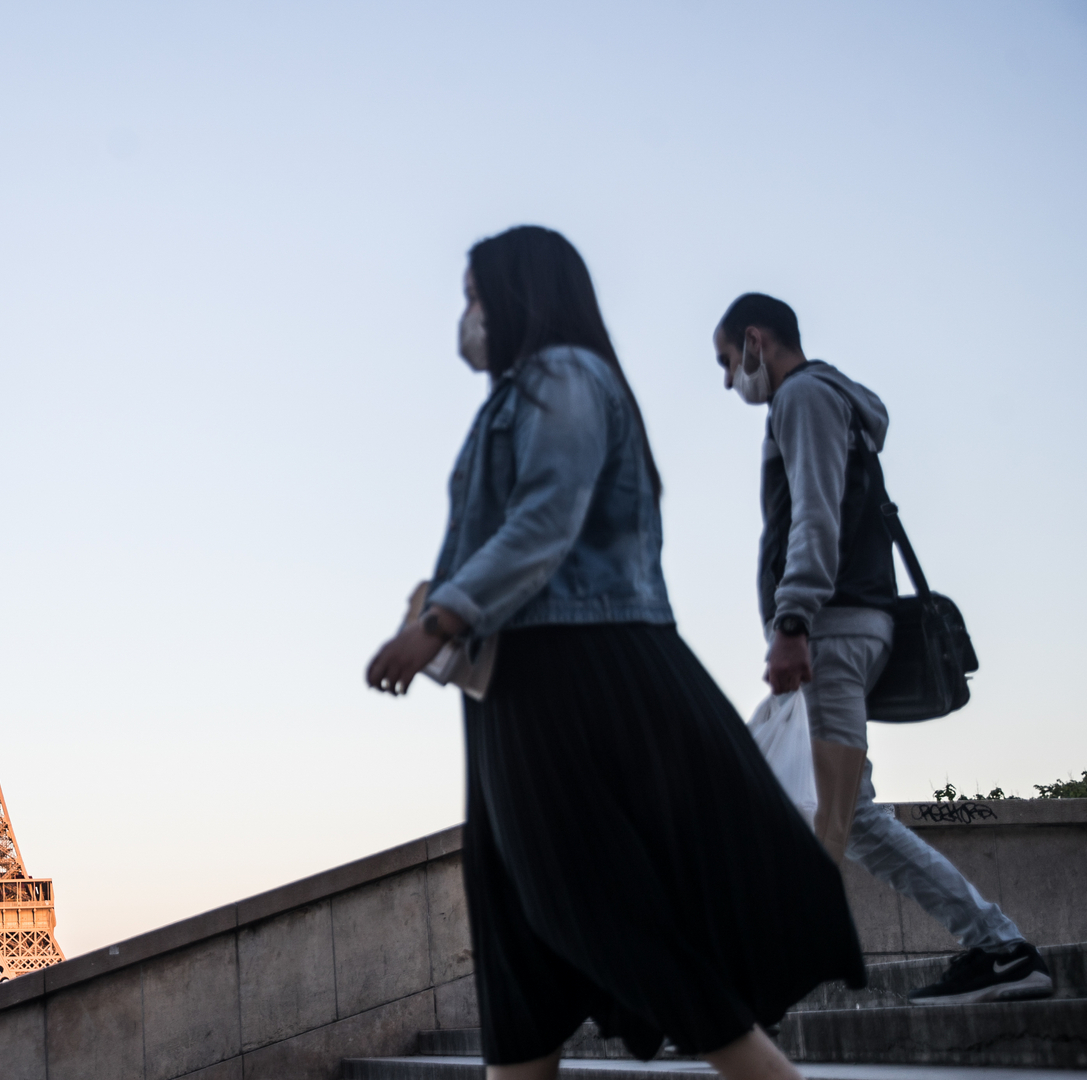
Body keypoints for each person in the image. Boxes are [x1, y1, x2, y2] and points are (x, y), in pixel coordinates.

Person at [368, 226, 864, 1080]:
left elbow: (547, 518)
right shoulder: (527, 390)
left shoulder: (563, 374)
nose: (467, 316)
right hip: (514, 682)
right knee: (514, 920)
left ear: (518, 294)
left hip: (571, 668)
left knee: (586, 901)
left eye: (475, 296)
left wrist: (437, 621)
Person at [712, 292, 1054, 1006]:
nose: (727, 383)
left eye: (727, 363)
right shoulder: (838, 402)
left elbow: (815, 515)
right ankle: (1000, 949)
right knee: (848, 820)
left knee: (833, 822)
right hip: (854, 623)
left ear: (755, 341)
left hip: (829, 629)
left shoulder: (802, 397)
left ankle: (758, 999)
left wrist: (793, 619)